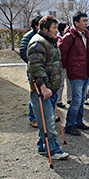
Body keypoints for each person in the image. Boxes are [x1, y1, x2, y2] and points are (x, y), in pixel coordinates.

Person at [27, 15, 69, 159]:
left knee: (45, 119)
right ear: (45, 29)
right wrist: (43, 87)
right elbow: (36, 67)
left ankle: (43, 147)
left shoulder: (50, 41)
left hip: (52, 88)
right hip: (43, 89)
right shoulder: (38, 43)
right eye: (54, 28)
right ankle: (53, 150)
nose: (57, 30)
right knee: (48, 121)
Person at [58, 11, 89, 136]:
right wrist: (67, 68)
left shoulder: (86, 35)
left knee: (82, 99)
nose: (86, 23)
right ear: (76, 22)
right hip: (75, 72)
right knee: (76, 100)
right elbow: (62, 54)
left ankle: (78, 121)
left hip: (86, 72)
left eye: (86, 20)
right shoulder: (69, 37)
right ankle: (69, 125)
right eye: (83, 21)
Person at [19, 15, 43, 128]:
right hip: (33, 69)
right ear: (36, 26)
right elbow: (23, 52)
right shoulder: (28, 36)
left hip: (44, 69)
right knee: (34, 92)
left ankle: (43, 116)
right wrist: (33, 64)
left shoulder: (44, 36)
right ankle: (33, 118)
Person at [56, 22, 72, 108]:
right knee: (61, 83)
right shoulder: (59, 38)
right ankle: (58, 100)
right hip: (61, 64)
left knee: (69, 82)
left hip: (68, 64)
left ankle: (70, 98)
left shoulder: (68, 37)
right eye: (66, 27)